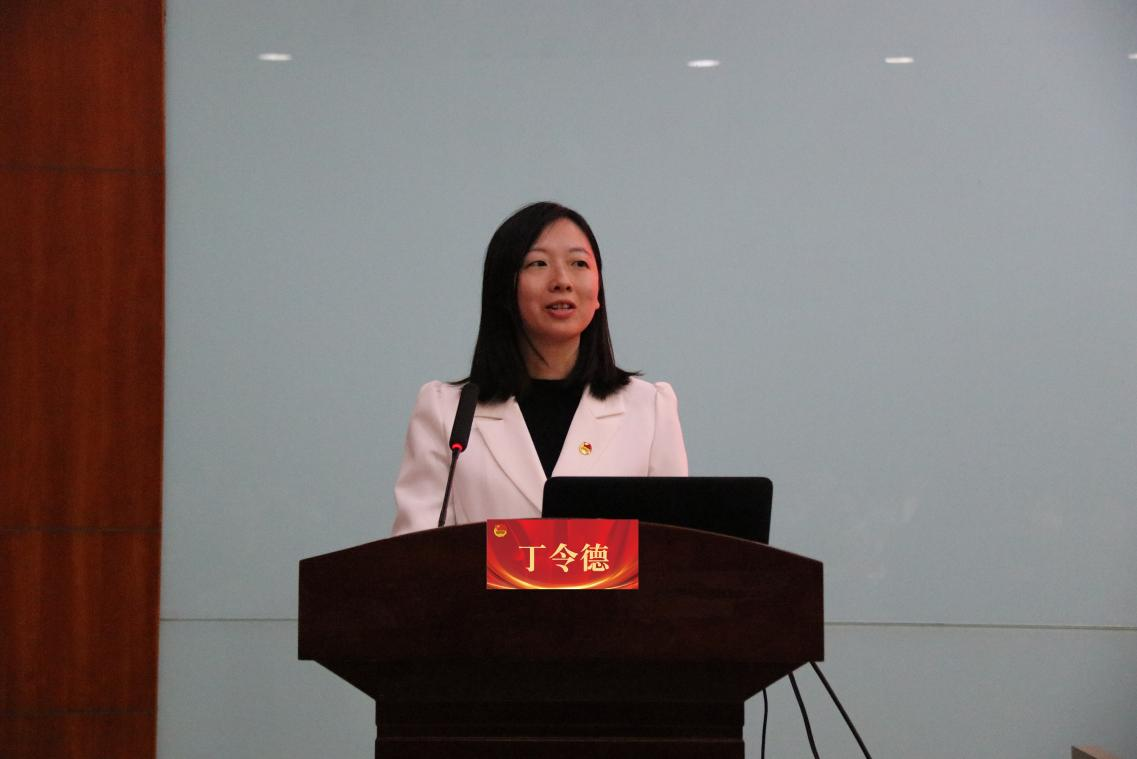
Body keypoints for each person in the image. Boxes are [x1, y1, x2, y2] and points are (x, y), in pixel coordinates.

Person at [391, 202, 687, 535]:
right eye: (539, 263)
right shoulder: (448, 412)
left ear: (598, 292)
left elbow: (673, 549)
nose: (562, 281)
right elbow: (414, 553)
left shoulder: (649, 409)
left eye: (579, 263)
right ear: (504, 289)